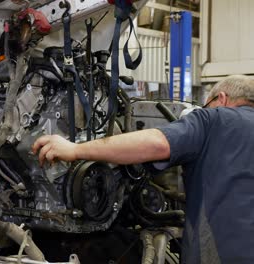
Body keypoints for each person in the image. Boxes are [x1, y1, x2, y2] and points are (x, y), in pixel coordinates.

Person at [31, 75, 254, 264]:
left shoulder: (216, 119)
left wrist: (75, 150)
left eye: (207, 104)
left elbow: (158, 143)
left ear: (221, 99)